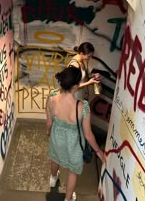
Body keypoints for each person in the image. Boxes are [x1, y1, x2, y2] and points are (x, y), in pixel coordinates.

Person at [46, 66, 106, 201]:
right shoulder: (82, 106)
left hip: (56, 137)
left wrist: (49, 133)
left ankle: (53, 178)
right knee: (73, 171)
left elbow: (49, 122)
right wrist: (99, 152)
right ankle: (68, 198)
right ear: (76, 85)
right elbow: (88, 134)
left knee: (55, 158)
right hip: (74, 144)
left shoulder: (51, 98)